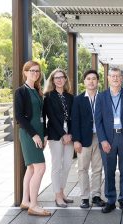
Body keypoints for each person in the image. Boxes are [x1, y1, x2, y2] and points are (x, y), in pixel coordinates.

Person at [95, 68, 123, 213]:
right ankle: (111, 200)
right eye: (112, 76)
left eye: (118, 76)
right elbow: (98, 120)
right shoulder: (101, 97)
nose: (115, 78)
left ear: (122, 79)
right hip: (108, 138)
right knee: (109, 170)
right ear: (108, 78)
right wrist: (102, 140)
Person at [14, 60, 51, 216]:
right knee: (40, 168)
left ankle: (25, 200)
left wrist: (44, 134)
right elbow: (19, 117)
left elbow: (42, 116)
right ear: (25, 72)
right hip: (29, 134)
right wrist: (34, 135)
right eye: (32, 71)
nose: (35, 73)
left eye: (37, 71)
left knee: (31, 168)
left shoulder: (37, 91)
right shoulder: (21, 91)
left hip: (38, 133)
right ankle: (34, 205)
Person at [71, 70, 106, 208]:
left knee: (97, 168)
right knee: (83, 169)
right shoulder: (78, 99)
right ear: (84, 81)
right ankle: (85, 197)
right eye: (88, 79)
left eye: (94, 79)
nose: (91, 81)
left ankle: (96, 196)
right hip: (83, 139)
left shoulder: (103, 98)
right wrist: (76, 140)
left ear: (98, 81)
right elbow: (75, 121)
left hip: (100, 137)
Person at [43, 69, 74, 208]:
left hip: (70, 135)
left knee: (67, 165)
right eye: (56, 78)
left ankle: (62, 192)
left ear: (65, 79)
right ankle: (57, 196)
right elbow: (52, 118)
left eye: (61, 77)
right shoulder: (48, 96)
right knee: (57, 166)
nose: (59, 80)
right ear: (53, 80)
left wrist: (70, 134)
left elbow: (73, 117)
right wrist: (63, 134)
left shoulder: (70, 97)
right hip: (56, 135)